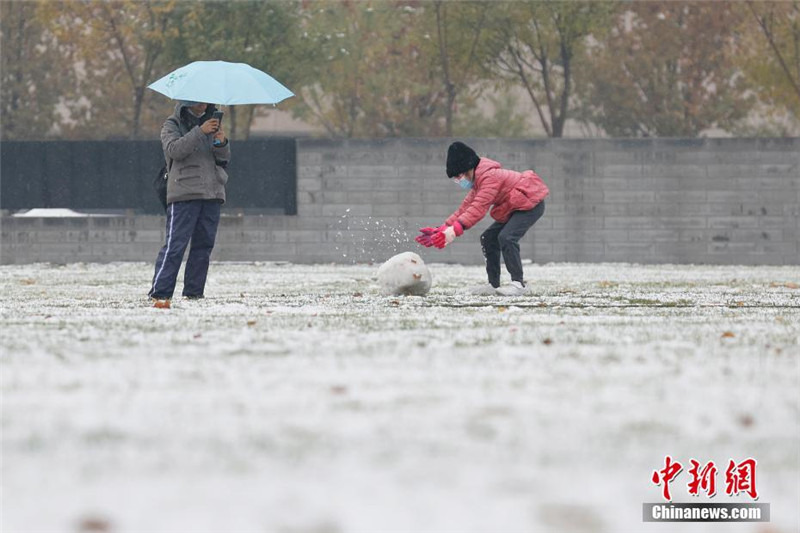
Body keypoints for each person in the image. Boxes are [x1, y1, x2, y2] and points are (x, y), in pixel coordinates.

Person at [416, 141, 549, 296]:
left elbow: (478, 208)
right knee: (488, 238)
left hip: (531, 205)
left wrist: (455, 231)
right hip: (514, 207)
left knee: (506, 237)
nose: (459, 180)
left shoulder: (490, 177)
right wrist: (442, 228)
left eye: (459, 176)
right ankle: (493, 285)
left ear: (469, 168)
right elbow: (465, 208)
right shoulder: (478, 182)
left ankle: (519, 285)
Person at [148, 101, 230, 308]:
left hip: (212, 192)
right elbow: (175, 150)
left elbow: (222, 159)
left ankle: (194, 292)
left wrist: (221, 142)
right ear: (188, 102)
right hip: (184, 192)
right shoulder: (172, 124)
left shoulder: (213, 122)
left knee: (203, 247)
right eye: (199, 102)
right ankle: (160, 292)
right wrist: (200, 131)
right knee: (175, 245)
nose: (203, 106)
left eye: (206, 101)